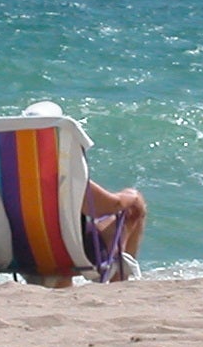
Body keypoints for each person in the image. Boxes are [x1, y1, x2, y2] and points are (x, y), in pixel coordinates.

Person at [25, 99, 147, 272]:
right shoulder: (60, 172)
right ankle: (118, 280)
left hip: (16, 250)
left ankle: (59, 282)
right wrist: (131, 196)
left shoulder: (0, 172)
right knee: (133, 206)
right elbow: (107, 206)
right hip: (63, 253)